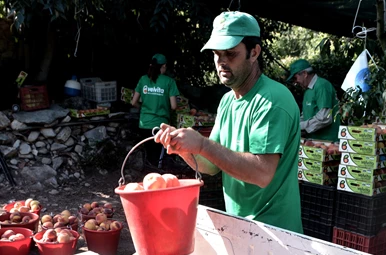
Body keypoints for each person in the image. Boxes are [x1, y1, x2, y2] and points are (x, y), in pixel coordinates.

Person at [153, 11, 302, 233]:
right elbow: (211, 166)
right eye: (217, 54)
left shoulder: (272, 100)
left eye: (231, 54)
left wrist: (203, 144)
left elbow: (261, 174)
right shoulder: (227, 101)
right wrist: (183, 148)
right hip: (240, 227)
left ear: (254, 52)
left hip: (276, 233)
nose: (222, 62)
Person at [131, 54, 179, 167]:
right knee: (159, 157)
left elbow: (133, 102)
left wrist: (143, 107)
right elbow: (173, 106)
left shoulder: (143, 79)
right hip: (160, 126)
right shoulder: (169, 82)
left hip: (144, 124)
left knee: (149, 155)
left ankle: (148, 175)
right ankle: (158, 176)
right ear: (164, 66)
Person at [287, 59, 340, 141]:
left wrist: (301, 126)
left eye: (295, 78)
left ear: (304, 74)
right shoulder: (308, 91)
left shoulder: (322, 86)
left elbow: (325, 117)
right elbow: (305, 115)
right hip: (313, 143)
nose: (295, 82)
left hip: (328, 142)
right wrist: (293, 125)